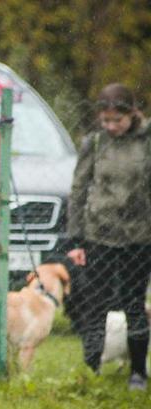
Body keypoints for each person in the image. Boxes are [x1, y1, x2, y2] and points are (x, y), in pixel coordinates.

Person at [67, 83, 151, 391]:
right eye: (106, 120)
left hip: (138, 236)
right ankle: (91, 369)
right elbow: (78, 191)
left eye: (117, 120)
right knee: (95, 304)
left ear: (132, 114)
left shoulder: (147, 141)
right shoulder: (95, 142)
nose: (111, 126)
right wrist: (75, 239)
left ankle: (138, 371)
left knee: (133, 302)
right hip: (98, 235)